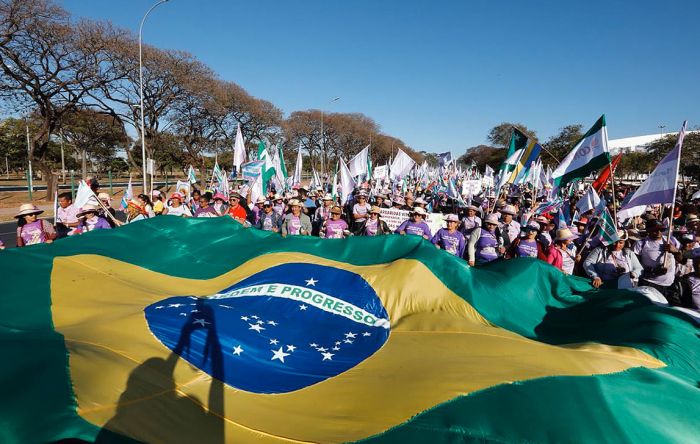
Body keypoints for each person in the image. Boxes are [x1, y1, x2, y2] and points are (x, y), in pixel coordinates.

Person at [634, 219, 681, 304]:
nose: (659, 232)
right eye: (655, 230)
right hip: (650, 284)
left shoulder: (671, 240)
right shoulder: (641, 244)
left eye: (661, 230)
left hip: (670, 285)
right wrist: (654, 271)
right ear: (648, 230)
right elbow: (636, 267)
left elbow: (682, 261)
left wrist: (676, 251)